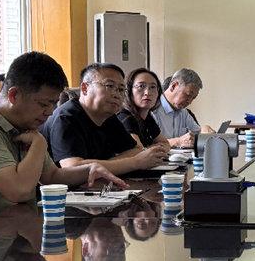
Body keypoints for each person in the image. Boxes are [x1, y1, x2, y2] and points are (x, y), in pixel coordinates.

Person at [0, 52, 127, 226]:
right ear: (14, 95)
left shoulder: (23, 125)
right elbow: (19, 191)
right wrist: (39, 144)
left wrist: (90, 169)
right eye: (44, 104)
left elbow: (51, 176)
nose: (50, 112)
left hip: (14, 228)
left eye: (53, 103)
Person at [39, 63, 168, 176]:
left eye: (121, 89)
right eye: (109, 86)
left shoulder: (108, 117)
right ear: (85, 88)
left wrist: (106, 165)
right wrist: (134, 163)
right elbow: (73, 166)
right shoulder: (67, 118)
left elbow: (135, 150)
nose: (117, 95)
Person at [153, 69, 215, 149]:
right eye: (188, 95)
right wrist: (178, 142)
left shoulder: (184, 112)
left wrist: (204, 130)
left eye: (193, 98)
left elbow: (197, 133)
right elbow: (147, 145)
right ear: (173, 86)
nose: (190, 102)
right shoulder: (152, 109)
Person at [118, 68, 170, 150]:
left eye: (152, 87)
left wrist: (148, 149)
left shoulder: (147, 117)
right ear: (128, 91)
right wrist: (154, 148)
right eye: (141, 86)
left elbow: (166, 143)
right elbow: (138, 150)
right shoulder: (125, 117)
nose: (147, 93)